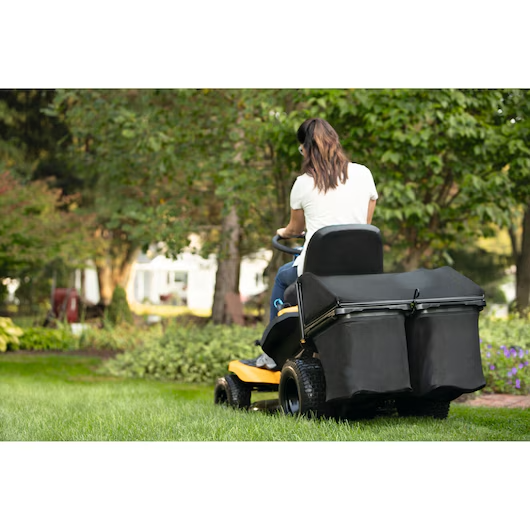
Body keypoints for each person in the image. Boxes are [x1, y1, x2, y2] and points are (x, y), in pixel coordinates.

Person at [256, 118, 378, 369]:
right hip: (359, 269)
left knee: (282, 277)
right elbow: (364, 225)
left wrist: (284, 232)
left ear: (306, 149)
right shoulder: (363, 173)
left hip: (318, 273)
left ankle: (271, 353)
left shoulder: (303, 183)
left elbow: (295, 229)